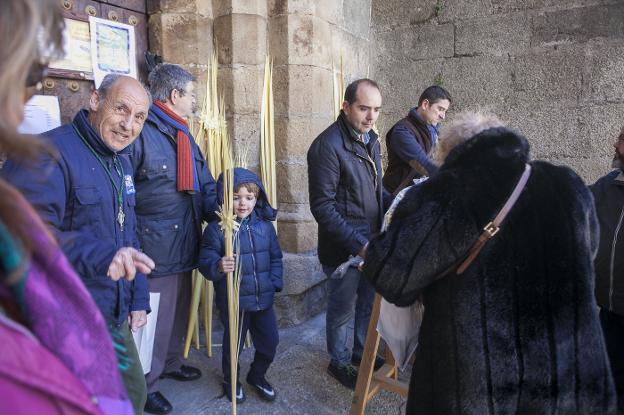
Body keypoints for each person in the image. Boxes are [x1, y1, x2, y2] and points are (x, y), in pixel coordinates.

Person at [363, 111, 616, 414]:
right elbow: (589, 252)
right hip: (567, 378)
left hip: (479, 388)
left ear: (450, 155)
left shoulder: (445, 195)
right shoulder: (568, 184)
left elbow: (391, 276)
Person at [0, 1, 139, 414]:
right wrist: (103, 255)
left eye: (140, 117)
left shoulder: (120, 160)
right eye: (120, 109)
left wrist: (137, 297)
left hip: (111, 307)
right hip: (71, 310)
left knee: (134, 394)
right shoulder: (49, 152)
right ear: (94, 99)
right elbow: (28, 237)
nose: (129, 125)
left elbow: (127, 229)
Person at [132, 63, 217, 415]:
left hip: (185, 242)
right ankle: (145, 386)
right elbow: (127, 195)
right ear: (174, 95)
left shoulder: (182, 132)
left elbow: (204, 184)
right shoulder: (142, 132)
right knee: (152, 322)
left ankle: (170, 362)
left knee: (179, 312)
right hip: (153, 248)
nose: (195, 101)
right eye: (192, 94)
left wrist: (229, 207)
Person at [307, 78, 389, 389]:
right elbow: (323, 208)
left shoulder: (370, 139)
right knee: (341, 309)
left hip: (370, 242)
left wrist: (401, 203)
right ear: (346, 106)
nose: (371, 116)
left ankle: (358, 351)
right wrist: (360, 246)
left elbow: (375, 189)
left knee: (367, 302)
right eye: (364, 108)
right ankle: (338, 362)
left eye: (377, 109)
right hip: (345, 249)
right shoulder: (327, 146)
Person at [199, 168, 283, 404]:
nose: (242, 203)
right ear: (225, 198)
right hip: (234, 301)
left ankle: (257, 375)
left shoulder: (265, 227)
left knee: (270, 343)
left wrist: (274, 282)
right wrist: (217, 265)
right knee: (233, 347)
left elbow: (276, 257)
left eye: (249, 197)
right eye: (235, 197)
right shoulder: (217, 230)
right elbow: (204, 260)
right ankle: (231, 380)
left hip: (262, 299)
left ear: (258, 199)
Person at [591, 125, 624, 414]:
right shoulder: (610, 184)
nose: (616, 144)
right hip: (610, 313)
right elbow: (575, 203)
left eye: (622, 140)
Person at [383, 85, 451, 195]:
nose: (443, 116)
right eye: (440, 109)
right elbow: (423, 164)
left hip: (415, 195)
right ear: (425, 104)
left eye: (445, 111)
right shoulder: (402, 131)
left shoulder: (432, 129)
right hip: (394, 197)